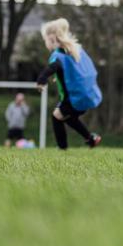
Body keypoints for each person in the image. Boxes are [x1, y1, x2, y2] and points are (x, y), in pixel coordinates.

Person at [36, 18, 103, 149]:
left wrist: (41, 79)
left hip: (74, 97)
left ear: (52, 39)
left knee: (56, 116)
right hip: (86, 94)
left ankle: (62, 148)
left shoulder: (58, 55)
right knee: (69, 118)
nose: (46, 44)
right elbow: (73, 69)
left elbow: (53, 67)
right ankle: (91, 139)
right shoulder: (74, 50)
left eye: (45, 40)